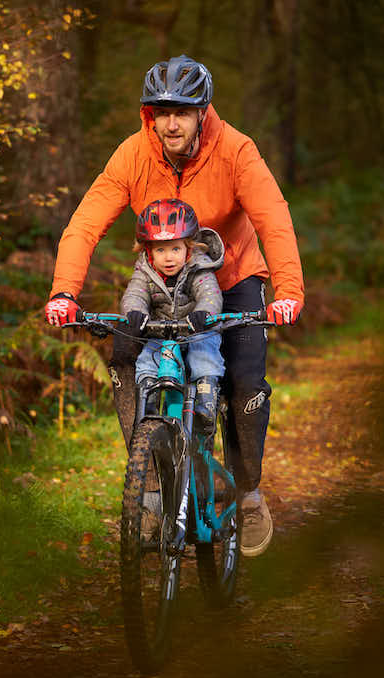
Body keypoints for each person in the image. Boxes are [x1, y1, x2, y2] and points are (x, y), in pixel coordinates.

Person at [44, 54, 304, 558]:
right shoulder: (133, 155)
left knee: (245, 381)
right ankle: (149, 481)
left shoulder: (236, 151)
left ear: (203, 112)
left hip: (230, 281)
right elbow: (86, 222)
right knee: (123, 361)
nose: (171, 122)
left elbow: (274, 218)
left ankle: (248, 494)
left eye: (182, 111)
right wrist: (63, 291)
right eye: (160, 111)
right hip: (160, 286)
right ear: (149, 115)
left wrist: (288, 291)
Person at [121, 198, 224, 430]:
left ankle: (205, 404)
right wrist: (135, 313)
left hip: (197, 329)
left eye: (175, 249)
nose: (169, 258)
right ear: (149, 251)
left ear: (188, 247)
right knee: (147, 359)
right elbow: (134, 294)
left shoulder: (198, 266)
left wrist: (204, 313)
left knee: (203, 355)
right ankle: (148, 401)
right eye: (161, 250)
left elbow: (210, 293)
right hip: (162, 331)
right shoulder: (145, 270)